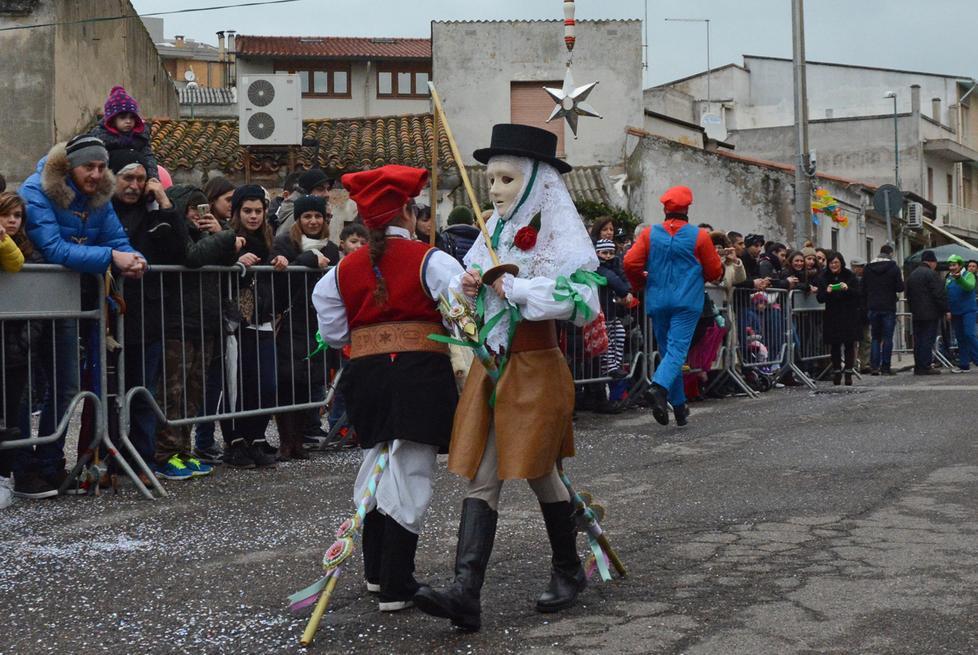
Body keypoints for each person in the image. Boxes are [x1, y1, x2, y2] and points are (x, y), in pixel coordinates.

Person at [414, 124, 601, 630]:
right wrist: (468, 287)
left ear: (538, 183)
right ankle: (465, 593)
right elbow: (462, 300)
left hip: (537, 367)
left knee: (540, 470)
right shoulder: (491, 232)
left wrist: (516, 287)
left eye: (505, 179)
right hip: (491, 366)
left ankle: (567, 569)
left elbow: (581, 301)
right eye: (489, 179)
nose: (492, 190)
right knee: (483, 475)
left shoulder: (562, 237)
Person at [312, 164, 462, 612]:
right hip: (418, 375)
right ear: (408, 213)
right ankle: (397, 582)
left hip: (367, 377)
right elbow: (461, 314)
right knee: (410, 471)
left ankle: (377, 573)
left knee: (376, 464)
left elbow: (334, 332)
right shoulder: (431, 259)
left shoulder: (340, 271)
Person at [15, 134, 146, 499]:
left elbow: (115, 237)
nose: (96, 174)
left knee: (68, 385)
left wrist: (133, 257)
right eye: (89, 166)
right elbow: (52, 247)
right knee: (26, 389)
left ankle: (50, 465)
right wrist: (110, 258)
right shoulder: (37, 189)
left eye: (102, 167)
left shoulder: (101, 194)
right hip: (31, 302)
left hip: (72, 302)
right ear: (70, 165)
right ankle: (22, 468)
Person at [106, 149, 194, 480]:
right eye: (127, 178)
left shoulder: (155, 212)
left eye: (141, 179)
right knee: (112, 392)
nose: (134, 185)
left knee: (143, 391)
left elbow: (179, 250)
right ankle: (111, 456)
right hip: (111, 313)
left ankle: (141, 458)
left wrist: (165, 204)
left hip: (149, 314)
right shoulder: (104, 212)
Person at [156, 184, 242, 475]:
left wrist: (219, 232)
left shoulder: (207, 236)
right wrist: (227, 236)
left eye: (202, 208)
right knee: (173, 392)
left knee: (194, 393)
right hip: (176, 323)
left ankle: (183, 449)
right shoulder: (174, 236)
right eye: (192, 208)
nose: (198, 214)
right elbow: (191, 257)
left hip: (204, 322)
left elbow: (228, 259)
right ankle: (164, 454)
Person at [624, 185, 723, 426]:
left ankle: (679, 408)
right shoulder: (699, 236)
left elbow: (630, 262)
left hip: (657, 301)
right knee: (677, 352)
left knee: (670, 353)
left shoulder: (649, 234)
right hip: (687, 302)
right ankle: (658, 388)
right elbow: (715, 271)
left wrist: (640, 283)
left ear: (664, 208)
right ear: (687, 208)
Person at [270, 194, 337, 459]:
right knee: (288, 382)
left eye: (317, 216)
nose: (312, 221)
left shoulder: (330, 248)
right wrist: (309, 260)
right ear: (298, 219)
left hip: (316, 321)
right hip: (291, 319)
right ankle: (286, 440)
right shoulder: (285, 243)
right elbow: (282, 280)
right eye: (307, 216)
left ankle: (298, 440)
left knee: (307, 382)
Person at [222, 185, 281, 469]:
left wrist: (281, 261)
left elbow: (277, 268)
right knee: (238, 385)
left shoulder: (269, 239)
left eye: (258, 211)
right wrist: (234, 260)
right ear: (237, 212)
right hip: (236, 321)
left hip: (263, 319)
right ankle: (235, 441)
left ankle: (256, 437)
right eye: (247, 211)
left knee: (266, 384)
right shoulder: (229, 238)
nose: (254, 216)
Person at [0, 192, 34, 505]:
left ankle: (4, 477)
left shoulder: (24, 245)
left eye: (17, 215)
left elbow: (16, 264)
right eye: (7, 215)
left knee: (10, 413)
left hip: (13, 345)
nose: (12, 221)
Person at [88, 86, 159, 181]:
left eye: (132, 117)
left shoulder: (140, 138)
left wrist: (153, 177)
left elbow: (148, 157)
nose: (128, 121)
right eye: (123, 117)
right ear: (112, 120)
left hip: (138, 181)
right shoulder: (100, 138)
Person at [815, 252, 862, 386]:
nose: (833, 265)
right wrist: (827, 291)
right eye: (831, 263)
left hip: (849, 314)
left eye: (836, 263)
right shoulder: (823, 277)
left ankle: (848, 373)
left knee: (849, 344)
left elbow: (858, 294)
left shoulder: (850, 276)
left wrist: (847, 289)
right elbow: (820, 298)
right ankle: (836, 372)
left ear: (841, 263)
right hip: (832, 314)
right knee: (834, 345)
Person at [861, 244, 903, 375]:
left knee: (875, 337)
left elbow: (863, 287)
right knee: (887, 338)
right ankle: (885, 367)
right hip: (888, 306)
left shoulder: (868, 268)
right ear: (890, 253)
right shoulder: (894, 268)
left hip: (873, 306)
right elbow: (900, 287)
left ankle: (874, 366)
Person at [905, 250, 946, 375]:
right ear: (932, 262)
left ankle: (919, 366)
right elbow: (938, 294)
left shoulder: (912, 275)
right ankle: (926, 365)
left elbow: (908, 295)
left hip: (916, 313)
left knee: (918, 340)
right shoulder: (931, 275)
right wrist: (945, 309)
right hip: (930, 312)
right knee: (927, 340)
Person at [944, 254, 978, 373]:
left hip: (968, 311)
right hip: (955, 312)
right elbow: (946, 294)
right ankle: (964, 364)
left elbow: (969, 287)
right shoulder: (949, 277)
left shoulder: (969, 275)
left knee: (969, 334)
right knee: (960, 338)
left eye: (954, 265)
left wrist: (960, 279)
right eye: (950, 265)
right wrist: (947, 310)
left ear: (959, 265)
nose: (952, 267)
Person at [275, 168, 330, 237]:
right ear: (306, 192)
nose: (327, 194)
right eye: (320, 189)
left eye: (328, 189)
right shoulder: (294, 217)